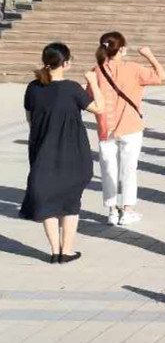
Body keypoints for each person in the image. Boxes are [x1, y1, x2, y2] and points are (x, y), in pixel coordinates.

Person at [20, 43, 105, 263]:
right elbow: (100, 108)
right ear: (65, 63)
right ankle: (66, 251)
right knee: (70, 201)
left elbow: (30, 119)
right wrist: (94, 83)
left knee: (47, 202)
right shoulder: (72, 88)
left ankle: (54, 251)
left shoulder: (33, 88)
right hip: (72, 154)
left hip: (42, 152)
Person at [89, 32, 165, 226]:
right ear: (122, 49)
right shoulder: (132, 68)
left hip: (106, 127)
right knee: (129, 170)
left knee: (108, 170)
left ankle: (111, 211)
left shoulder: (97, 71)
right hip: (130, 126)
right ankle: (127, 210)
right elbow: (161, 76)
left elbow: (89, 98)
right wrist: (149, 55)